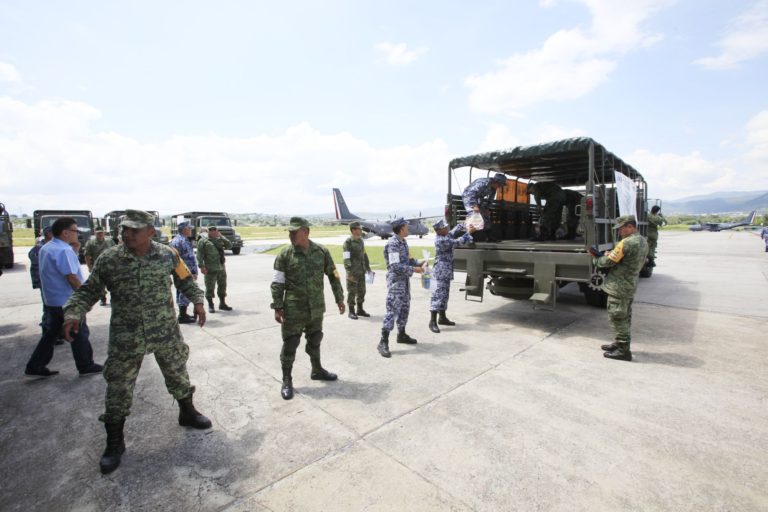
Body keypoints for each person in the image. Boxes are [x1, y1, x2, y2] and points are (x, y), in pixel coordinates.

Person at [62, 209, 211, 474]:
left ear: (150, 232)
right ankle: (115, 442)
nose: (127, 234)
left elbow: (185, 280)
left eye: (134, 230)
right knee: (118, 386)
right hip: (126, 335)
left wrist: (198, 301)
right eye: (124, 229)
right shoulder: (110, 259)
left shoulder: (167, 254)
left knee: (177, 373)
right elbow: (89, 291)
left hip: (164, 330)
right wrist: (73, 313)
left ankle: (187, 411)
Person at [270, 217, 345, 400]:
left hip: (316, 306)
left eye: (294, 232)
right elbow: (277, 283)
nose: (291, 235)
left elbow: (333, 276)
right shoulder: (285, 254)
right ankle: (287, 379)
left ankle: (317, 369)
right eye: (290, 232)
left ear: (306, 231)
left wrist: (340, 298)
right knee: (291, 342)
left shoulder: (321, 252)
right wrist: (278, 306)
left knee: (315, 338)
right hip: (294, 308)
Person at [24, 217, 102, 378]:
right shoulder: (63, 250)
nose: (77, 234)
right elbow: (72, 277)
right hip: (67, 300)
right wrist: (84, 297)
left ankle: (35, 365)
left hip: (52, 300)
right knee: (79, 333)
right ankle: (85, 364)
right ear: (65, 233)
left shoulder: (48, 247)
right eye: (75, 231)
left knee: (51, 334)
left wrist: (75, 250)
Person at [592, 215, 649, 362]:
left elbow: (608, 262)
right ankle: (619, 343)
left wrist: (597, 259)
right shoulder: (642, 241)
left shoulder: (627, 243)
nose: (619, 232)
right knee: (625, 316)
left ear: (630, 227)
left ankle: (623, 351)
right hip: (630, 284)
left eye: (621, 229)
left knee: (617, 316)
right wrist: (611, 255)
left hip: (619, 286)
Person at [377, 218, 424, 358]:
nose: (408, 229)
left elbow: (408, 260)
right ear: (401, 229)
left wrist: (419, 263)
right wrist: (414, 270)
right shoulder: (393, 244)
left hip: (404, 282)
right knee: (392, 310)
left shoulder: (403, 242)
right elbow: (394, 266)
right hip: (396, 282)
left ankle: (401, 335)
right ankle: (383, 342)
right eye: (406, 227)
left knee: (404, 308)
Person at [428, 219, 474, 333]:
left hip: (446, 270)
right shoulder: (441, 240)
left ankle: (442, 318)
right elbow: (458, 241)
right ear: (439, 230)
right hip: (440, 271)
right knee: (438, 295)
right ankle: (432, 321)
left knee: (444, 294)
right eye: (444, 227)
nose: (447, 228)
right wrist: (469, 232)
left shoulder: (445, 235)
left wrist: (464, 223)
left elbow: (452, 232)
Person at [197, 225, 233, 313]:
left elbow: (229, 246)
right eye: (210, 230)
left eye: (214, 230)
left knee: (222, 286)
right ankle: (210, 305)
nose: (213, 231)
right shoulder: (203, 240)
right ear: (207, 231)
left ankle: (222, 304)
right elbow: (199, 255)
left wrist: (221, 236)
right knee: (210, 287)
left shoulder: (219, 239)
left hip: (221, 268)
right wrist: (201, 266)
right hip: (210, 268)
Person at [461, 172, 507, 241]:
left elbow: (490, 199)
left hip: (478, 198)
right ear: (496, 182)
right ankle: (469, 238)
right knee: (474, 215)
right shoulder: (482, 183)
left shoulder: (493, 188)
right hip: (469, 197)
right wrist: (474, 205)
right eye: (500, 185)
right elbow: (471, 192)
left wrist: (487, 209)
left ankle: (489, 237)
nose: (500, 187)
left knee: (486, 216)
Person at [343, 221, 373, 320]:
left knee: (362, 291)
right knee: (352, 292)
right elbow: (346, 258)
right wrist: (349, 272)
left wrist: (368, 268)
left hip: (361, 271)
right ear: (353, 230)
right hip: (353, 272)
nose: (361, 230)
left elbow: (364, 255)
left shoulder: (361, 241)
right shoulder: (348, 243)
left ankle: (360, 310)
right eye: (359, 229)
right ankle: (351, 311)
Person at [170, 221, 199, 323]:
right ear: (185, 229)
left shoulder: (177, 240)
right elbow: (189, 258)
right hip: (185, 272)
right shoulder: (182, 241)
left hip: (180, 271)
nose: (191, 230)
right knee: (185, 293)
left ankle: (183, 314)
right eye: (189, 228)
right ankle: (182, 316)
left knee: (181, 292)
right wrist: (194, 272)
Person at [29, 226, 54, 330]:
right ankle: (47, 330)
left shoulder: (49, 246)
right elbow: (39, 267)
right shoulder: (40, 248)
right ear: (48, 234)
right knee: (49, 308)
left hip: (51, 282)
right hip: (46, 283)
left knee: (53, 308)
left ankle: (55, 332)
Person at [84, 227, 115, 305]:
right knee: (100, 284)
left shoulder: (109, 241)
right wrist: (89, 267)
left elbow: (116, 251)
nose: (100, 234)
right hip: (98, 267)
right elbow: (87, 255)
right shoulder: (91, 242)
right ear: (95, 233)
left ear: (104, 233)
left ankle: (114, 299)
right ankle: (103, 298)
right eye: (98, 233)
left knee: (114, 283)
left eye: (101, 232)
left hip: (110, 266)